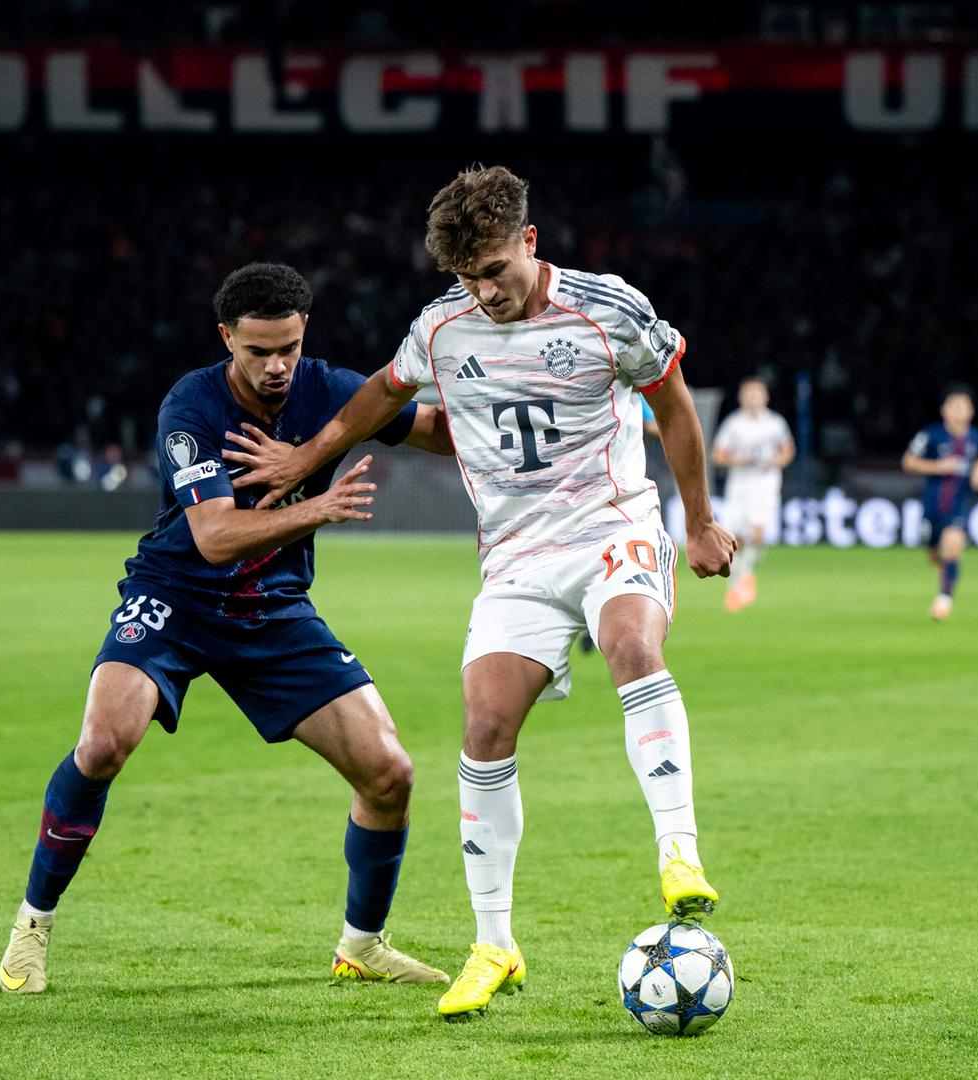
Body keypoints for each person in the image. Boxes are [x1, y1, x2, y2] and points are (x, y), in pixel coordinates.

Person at [229, 165, 736, 1022]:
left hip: (613, 525)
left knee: (632, 647)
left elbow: (677, 409)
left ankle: (679, 853)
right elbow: (381, 398)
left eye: (496, 270)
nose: (485, 291)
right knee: (484, 725)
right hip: (516, 558)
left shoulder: (608, 309)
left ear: (529, 243)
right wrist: (301, 460)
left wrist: (700, 521)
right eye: (468, 278)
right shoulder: (442, 330)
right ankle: (494, 943)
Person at [0, 264, 455, 995]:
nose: (277, 368)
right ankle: (32, 925)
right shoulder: (192, 406)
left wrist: (512, 421)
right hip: (175, 596)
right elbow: (212, 536)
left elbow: (430, 427)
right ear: (226, 339)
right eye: (258, 352)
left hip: (271, 608)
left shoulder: (328, 388)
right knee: (104, 742)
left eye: (290, 349)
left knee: (390, 773)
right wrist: (314, 505)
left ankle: (362, 945)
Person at [901, 384, 978, 621]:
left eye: (964, 406)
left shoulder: (977, 438)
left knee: (953, 544)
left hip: (959, 505)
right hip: (932, 507)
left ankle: (944, 600)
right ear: (944, 410)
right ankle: (946, 576)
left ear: (971, 411)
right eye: (954, 406)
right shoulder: (931, 435)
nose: (959, 411)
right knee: (934, 555)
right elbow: (908, 461)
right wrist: (938, 467)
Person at [711, 377, 795, 612]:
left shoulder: (775, 423)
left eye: (757, 393)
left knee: (758, 531)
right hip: (739, 483)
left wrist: (777, 462)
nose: (753, 398)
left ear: (765, 397)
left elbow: (788, 449)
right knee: (736, 537)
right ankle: (736, 581)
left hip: (765, 483)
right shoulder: (734, 424)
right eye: (749, 393)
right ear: (741, 397)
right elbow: (718, 455)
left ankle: (746, 578)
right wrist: (737, 460)